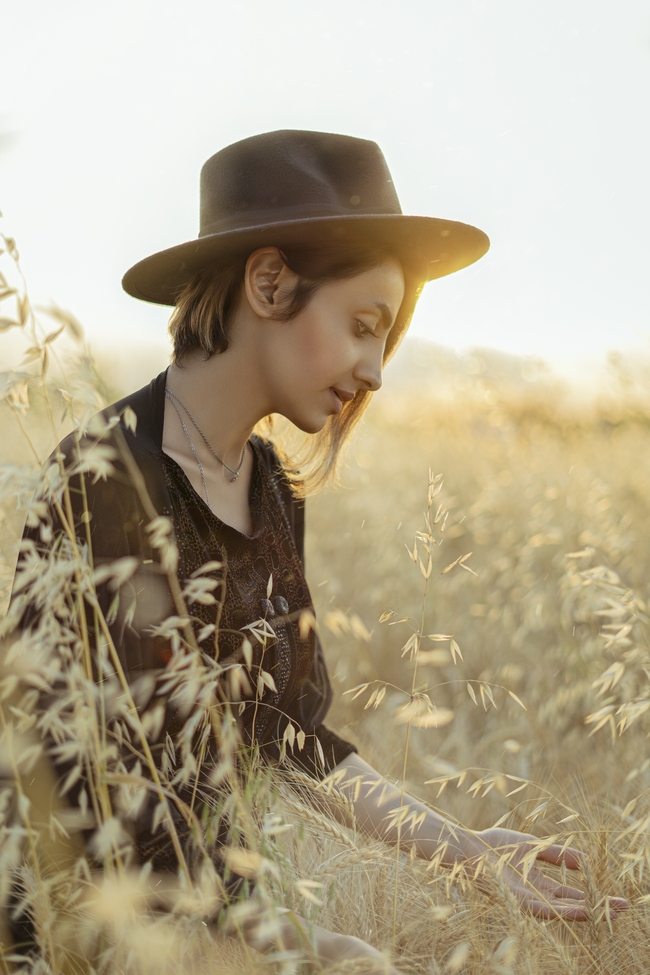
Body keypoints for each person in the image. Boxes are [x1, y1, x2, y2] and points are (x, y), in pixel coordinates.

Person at [13, 130, 628, 972]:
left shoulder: (268, 484)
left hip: (214, 910)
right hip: (83, 919)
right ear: (269, 283)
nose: (374, 371)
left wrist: (469, 849)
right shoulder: (107, 476)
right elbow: (76, 790)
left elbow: (295, 737)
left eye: (387, 343)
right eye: (364, 327)